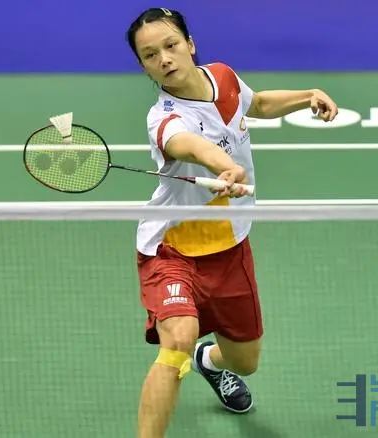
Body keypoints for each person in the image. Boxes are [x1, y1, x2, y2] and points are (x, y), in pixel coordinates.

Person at [127, 7, 338, 438]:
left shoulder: (222, 77)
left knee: (245, 362)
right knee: (178, 340)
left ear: (190, 44)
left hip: (229, 247)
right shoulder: (164, 118)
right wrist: (225, 166)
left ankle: (209, 362)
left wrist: (308, 95)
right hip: (172, 248)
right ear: (144, 66)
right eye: (150, 55)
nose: (164, 58)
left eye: (170, 45)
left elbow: (256, 104)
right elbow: (189, 146)